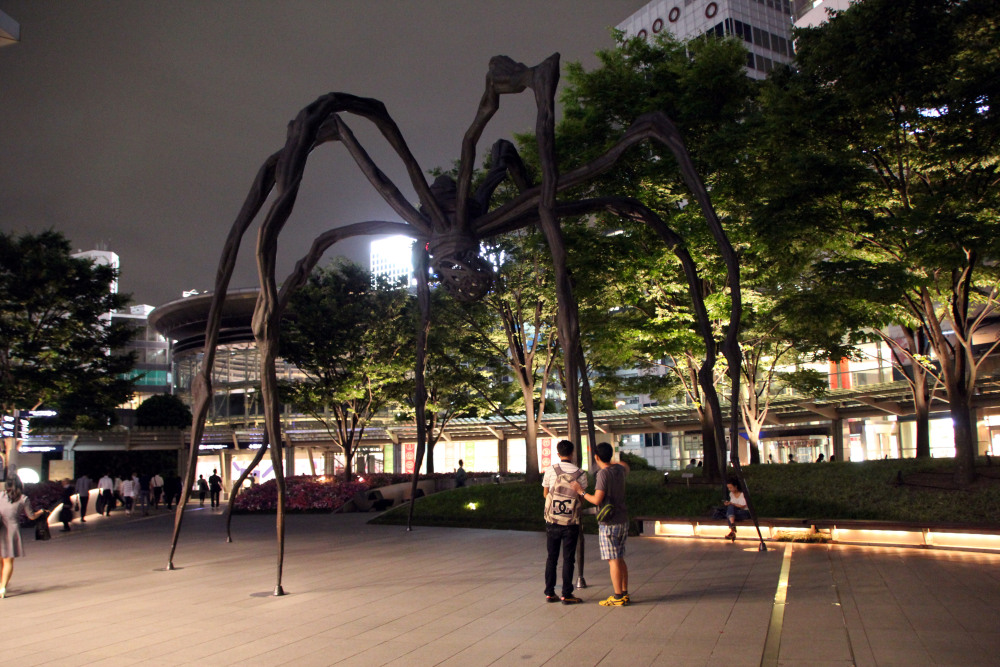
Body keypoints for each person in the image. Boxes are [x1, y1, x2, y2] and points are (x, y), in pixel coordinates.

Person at [572, 442, 630, 607]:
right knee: (620, 557)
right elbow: (625, 465)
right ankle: (624, 593)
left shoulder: (603, 474)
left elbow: (597, 499)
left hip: (609, 522)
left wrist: (581, 491)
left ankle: (618, 596)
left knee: (613, 560)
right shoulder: (619, 470)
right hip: (622, 518)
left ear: (596, 457)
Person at [541, 440, 588, 605]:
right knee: (569, 558)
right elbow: (582, 500)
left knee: (551, 558)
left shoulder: (550, 470)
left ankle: (549, 592)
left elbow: (545, 494)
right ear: (573, 453)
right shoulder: (581, 474)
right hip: (571, 523)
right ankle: (566, 594)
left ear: (558, 453)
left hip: (552, 521)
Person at [1, 476, 48, 598]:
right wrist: (41, 512)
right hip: (12, 530)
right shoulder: (23, 498)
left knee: (1, 560)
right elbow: (31, 516)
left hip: (0, 528)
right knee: (8, 561)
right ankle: (2, 588)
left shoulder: (0, 496)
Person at [721, 476, 750, 542]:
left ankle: (732, 529)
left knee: (729, 512)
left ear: (736, 487)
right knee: (730, 510)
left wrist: (732, 503)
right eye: (728, 488)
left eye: (731, 487)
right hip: (734, 514)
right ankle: (733, 526)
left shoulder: (743, 494)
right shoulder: (731, 494)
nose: (729, 489)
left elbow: (743, 506)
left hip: (744, 512)